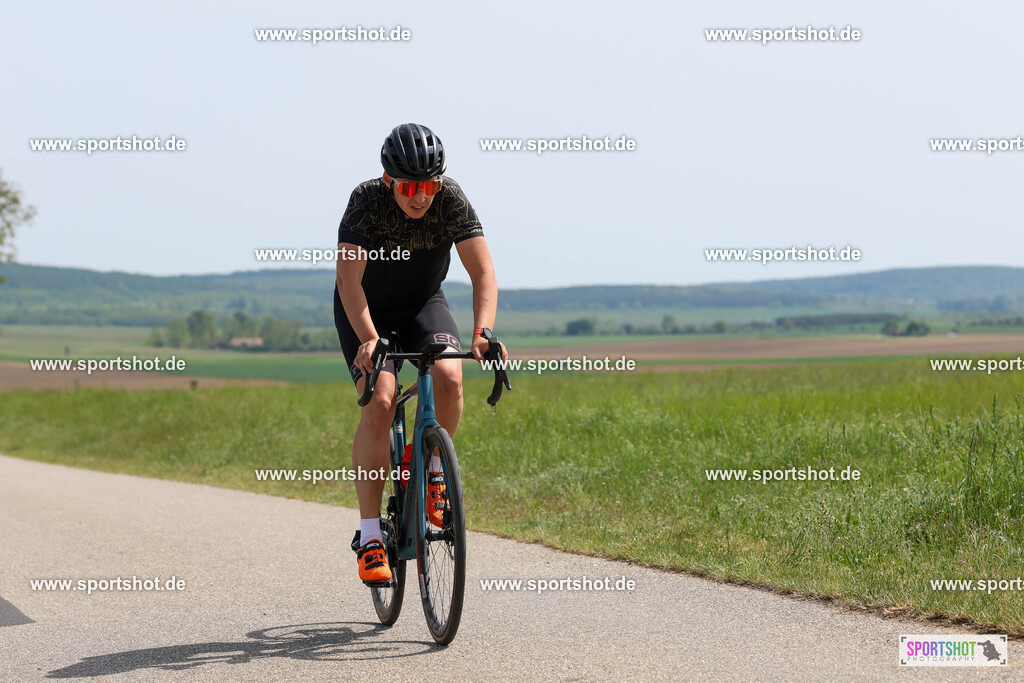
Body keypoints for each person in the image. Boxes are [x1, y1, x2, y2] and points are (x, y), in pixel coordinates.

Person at [334, 123, 508, 585]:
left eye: (429, 186)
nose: (421, 197)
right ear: (388, 180)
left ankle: (431, 467)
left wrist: (484, 331)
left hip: (423, 304)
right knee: (381, 399)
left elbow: (483, 272)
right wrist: (369, 337)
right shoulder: (366, 200)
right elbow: (348, 281)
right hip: (366, 310)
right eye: (410, 187)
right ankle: (371, 538)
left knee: (450, 376)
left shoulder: (451, 198)